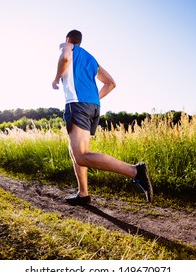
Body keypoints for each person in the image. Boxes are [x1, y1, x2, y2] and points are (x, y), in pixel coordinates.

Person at [52, 30, 153, 205]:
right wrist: (94, 99)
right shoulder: (91, 60)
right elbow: (111, 83)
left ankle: (136, 171)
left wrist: (56, 79)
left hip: (78, 104)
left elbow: (65, 58)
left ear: (69, 39)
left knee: (82, 155)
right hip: (93, 106)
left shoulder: (67, 46)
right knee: (75, 150)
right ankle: (83, 194)